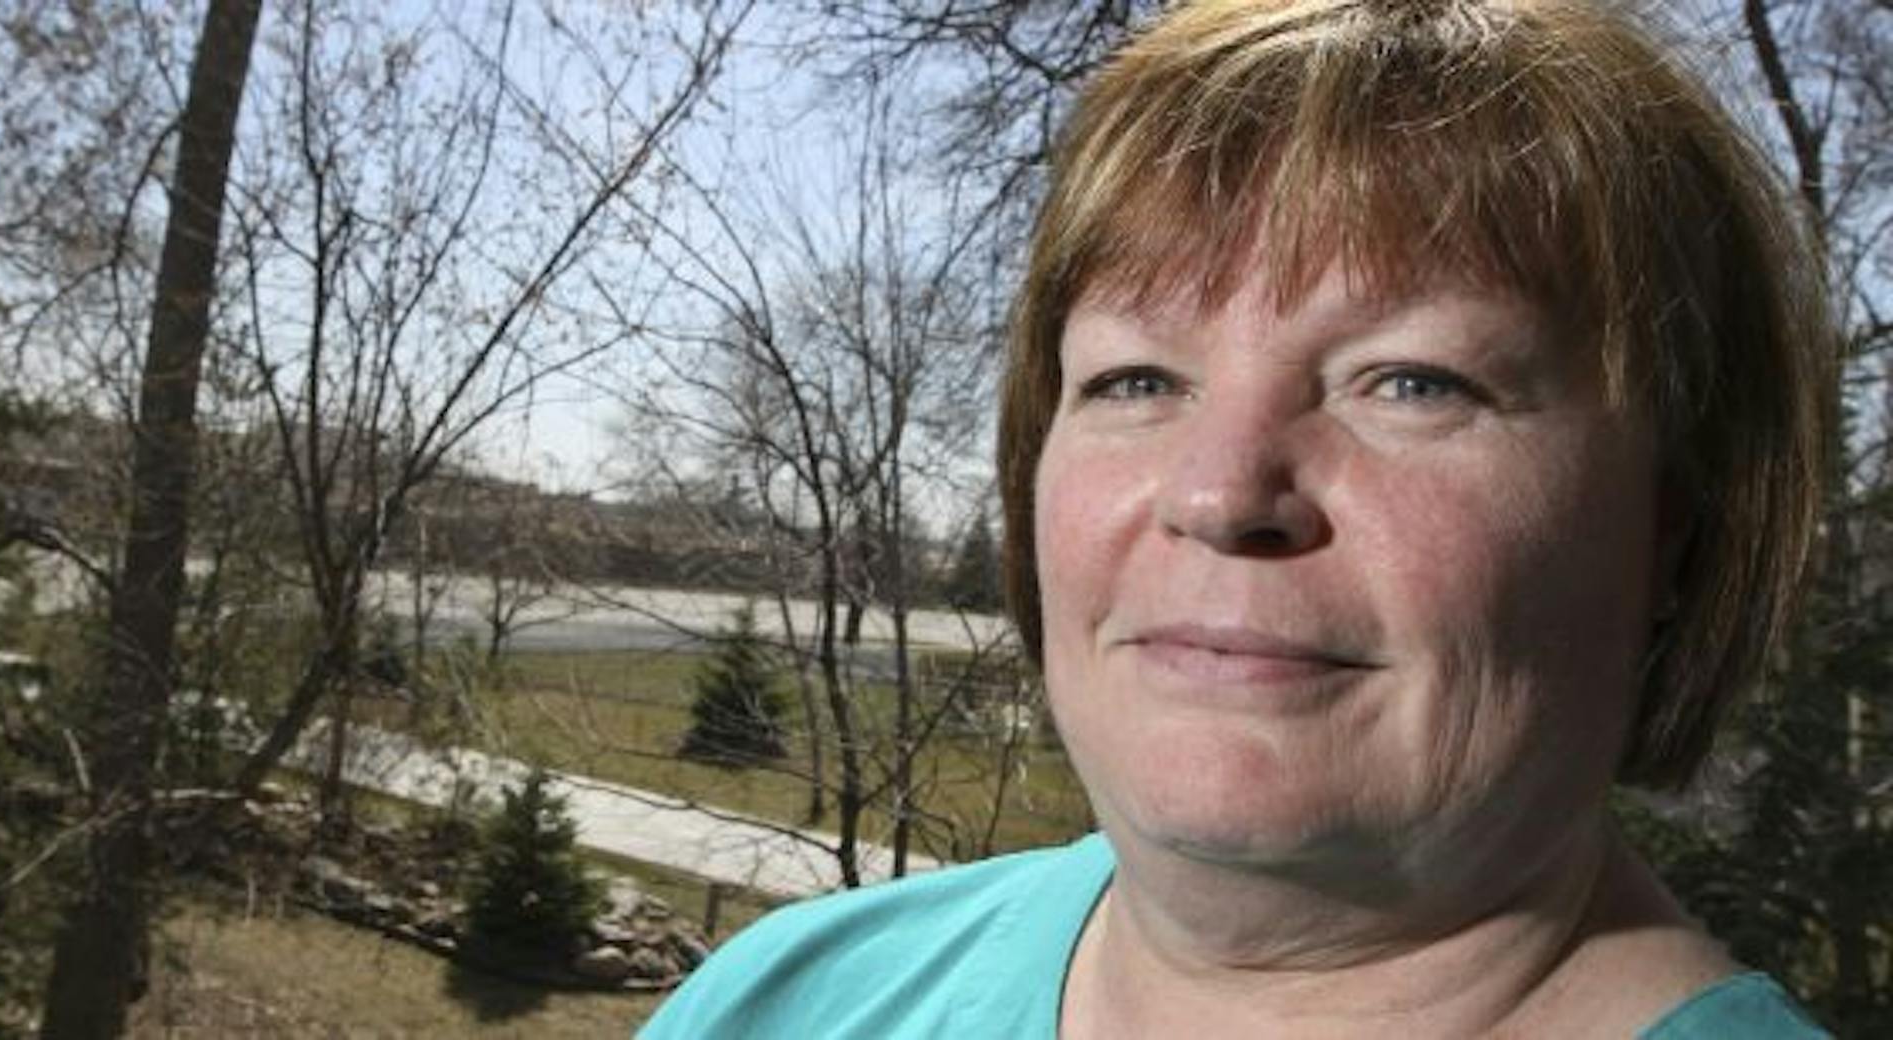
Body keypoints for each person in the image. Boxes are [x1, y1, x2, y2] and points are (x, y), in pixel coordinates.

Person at [641, 0, 1838, 1035]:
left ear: (1676, 527)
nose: (1219, 493)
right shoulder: (782, 997)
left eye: (1414, 380)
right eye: (1136, 378)